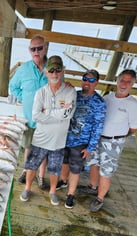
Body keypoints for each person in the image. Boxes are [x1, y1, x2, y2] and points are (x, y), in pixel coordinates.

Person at [19, 55, 77, 205]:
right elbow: (36, 116)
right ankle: (27, 188)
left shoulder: (70, 91)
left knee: (54, 169)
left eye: (58, 69)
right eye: (51, 70)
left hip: (58, 141)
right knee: (31, 166)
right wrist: (58, 113)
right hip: (40, 138)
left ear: (63, 71)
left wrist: (47, 112)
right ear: (46, 72)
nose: (55, 73)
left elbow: (68, 113)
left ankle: (52, 191)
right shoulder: (40, 92)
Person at [86, 69, 137, 212]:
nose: (124, 84)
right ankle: (93, 187)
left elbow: (133, 129)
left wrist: (117, 136)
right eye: (122, 80)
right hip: (98, 138)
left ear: (133, 84)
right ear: (117, 80)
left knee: (106, 171)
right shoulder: (108, 98)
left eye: (129, 82)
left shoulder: (134, 105)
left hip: (114, 142)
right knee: (93, 163)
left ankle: (100, 198)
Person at [57, 69, 107, 209]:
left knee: (76, 169)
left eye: (91, 80)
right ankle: (63, 180)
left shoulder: (99, 103)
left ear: (96, 83)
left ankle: (71, 195)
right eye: (85, 79)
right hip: (65, 137)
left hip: (81, 143)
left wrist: (90, 148)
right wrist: (65, 87)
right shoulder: (74, 95)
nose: (87, 82)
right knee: (64, 162)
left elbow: (98, 127)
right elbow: (61, 104)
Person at [9, 35, 49, 189]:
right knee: (28, 146)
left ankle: (40, 176)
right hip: (29, 117)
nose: (36, 51)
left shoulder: (52, 67)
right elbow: (13, 87)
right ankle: (26, 170)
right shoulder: (24, 69)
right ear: (29, 51)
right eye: (33, 49)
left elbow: (60, 86)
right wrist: (23, 98)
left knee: (43, 149)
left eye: (40, 48)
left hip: (46, 119)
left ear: (45, 48)